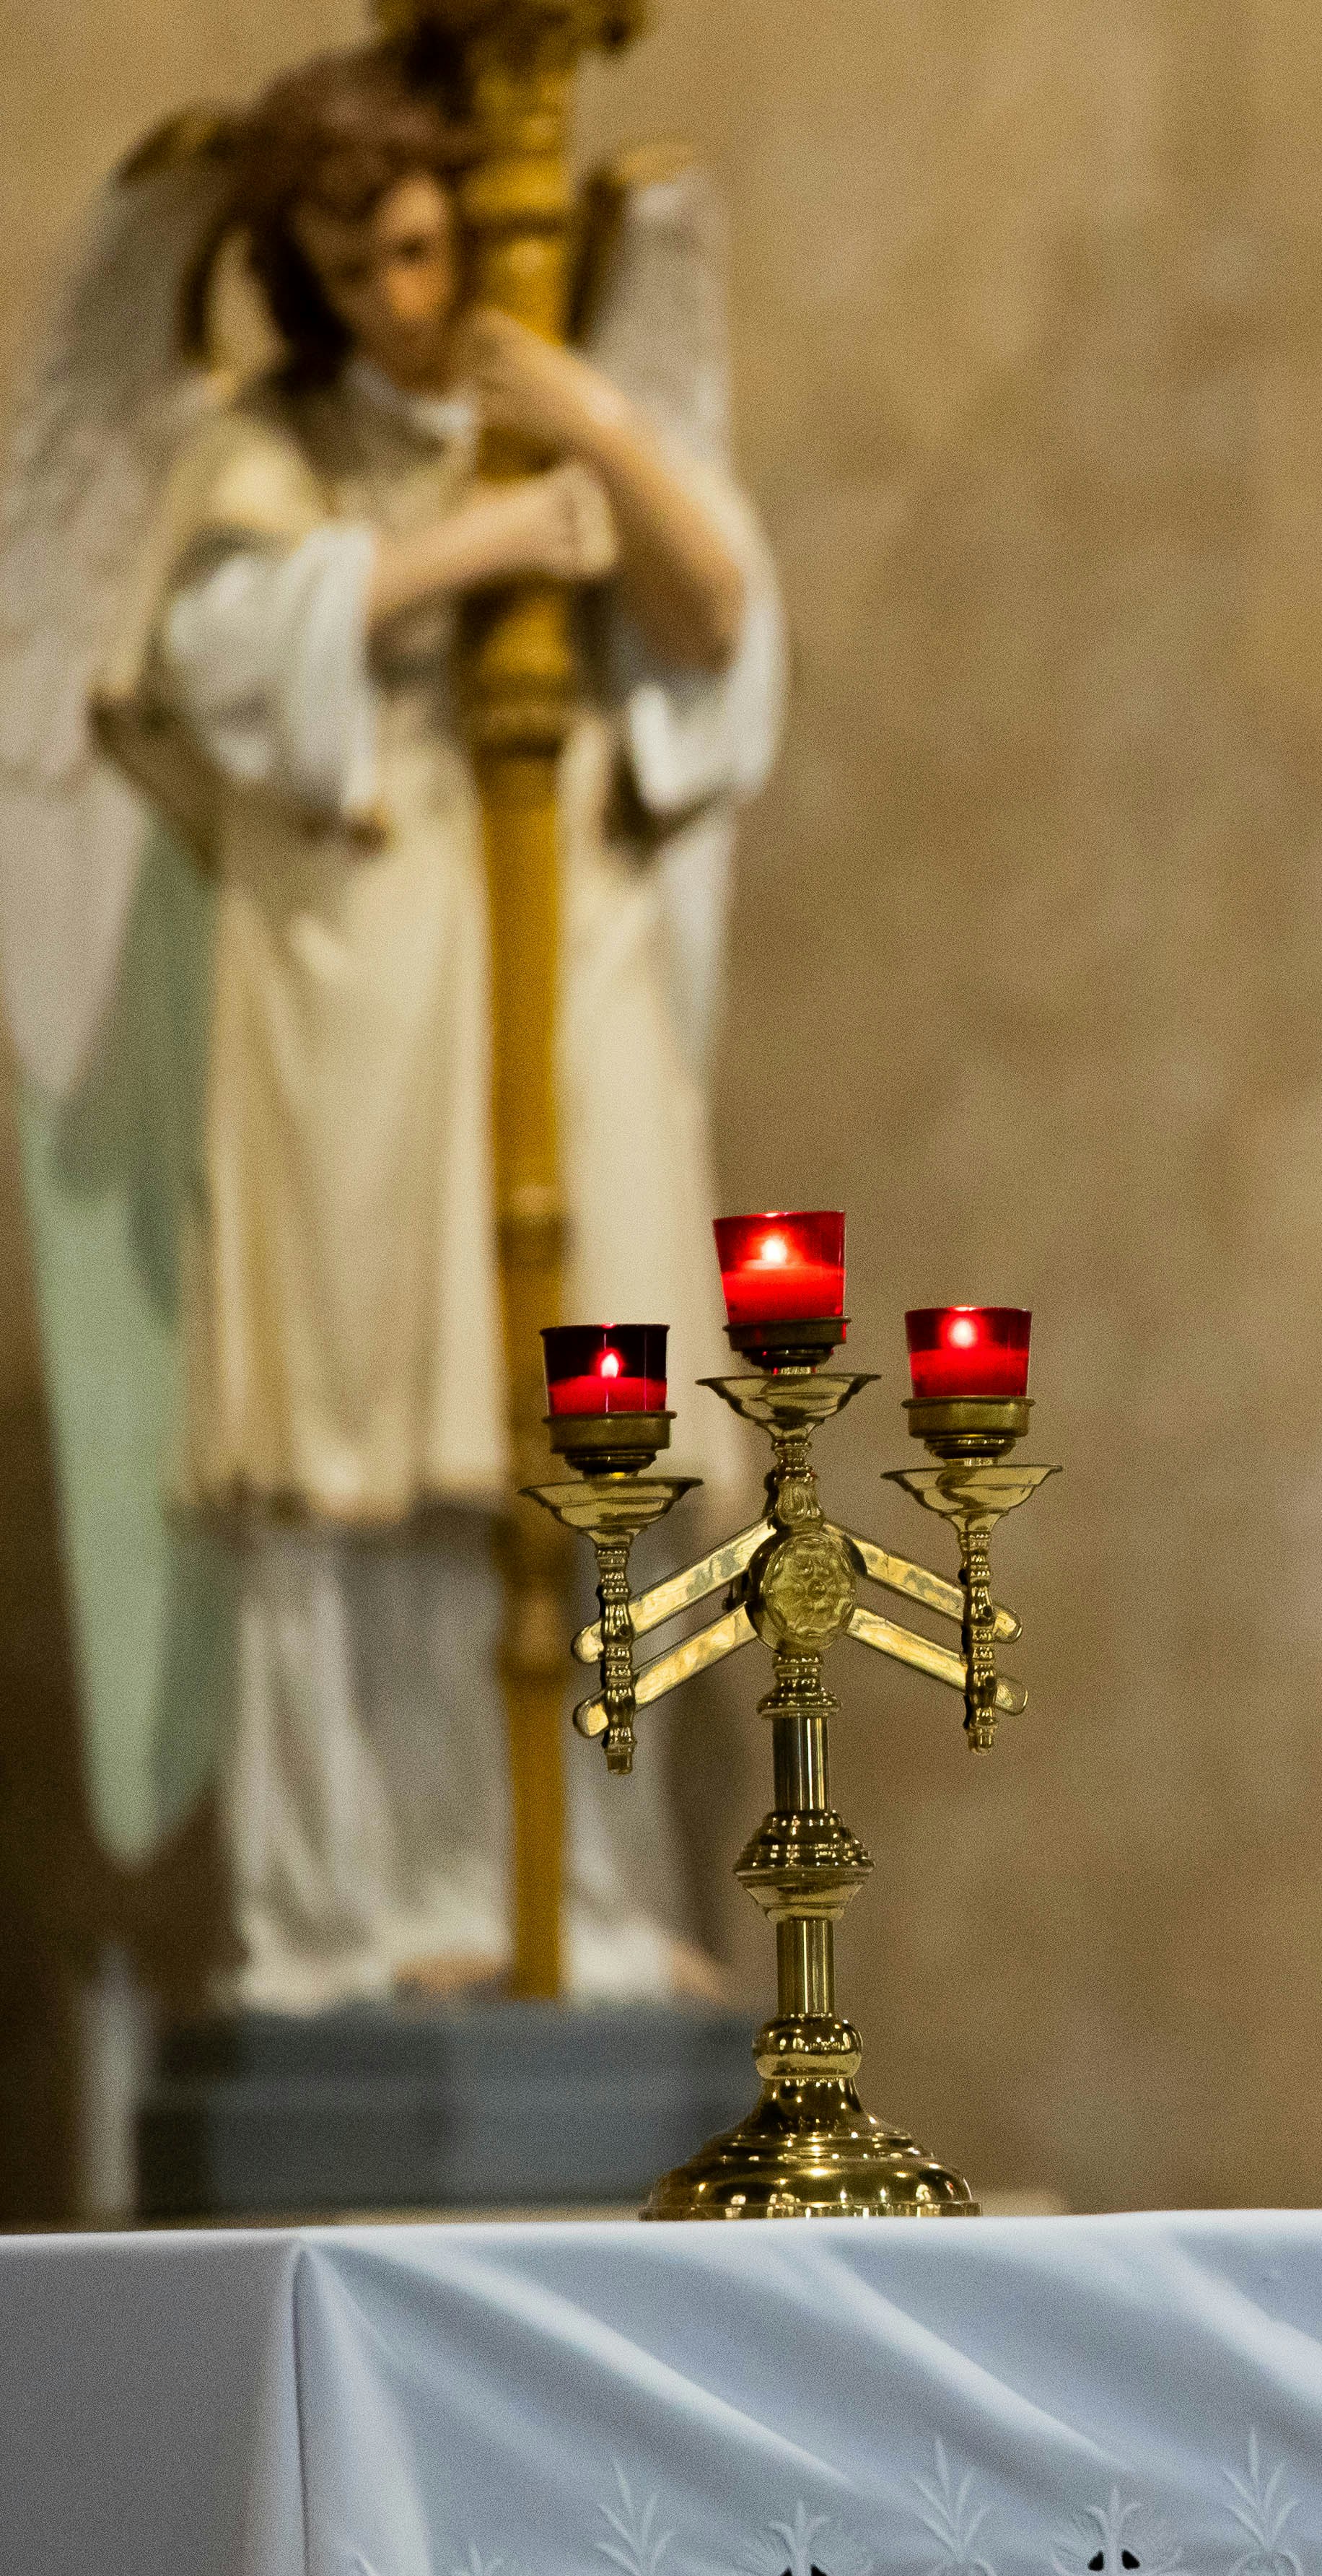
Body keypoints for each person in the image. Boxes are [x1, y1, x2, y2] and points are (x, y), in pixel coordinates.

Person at [0, 39, 784, 2009]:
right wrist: (470, 552)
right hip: (349, 984)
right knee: (363, 1433)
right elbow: (204, 659)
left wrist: (589, 428)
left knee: (593, 1414)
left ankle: (584, 1902)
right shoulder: (261, 460)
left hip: (561, 960)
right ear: (301, 273)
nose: (405, 302)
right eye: (356, 268)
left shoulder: (561, 429)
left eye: (429, 250)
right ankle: (360, 1908)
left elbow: (719, 624)